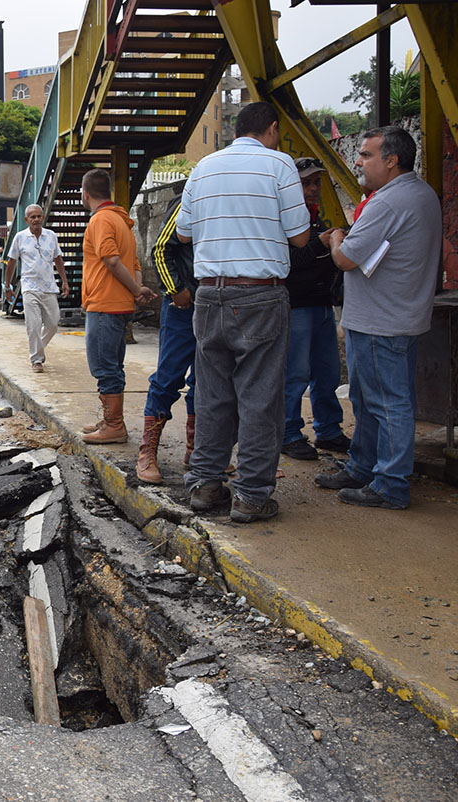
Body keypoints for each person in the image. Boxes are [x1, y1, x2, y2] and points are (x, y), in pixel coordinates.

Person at [175, 101, 310, 523]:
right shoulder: (279, 164)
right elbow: (302, 237)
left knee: (213, 394)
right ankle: (251, 496)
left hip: (209, 296)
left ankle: (205, 485)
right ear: (271, 129)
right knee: (260, 398)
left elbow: (183, 232)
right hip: (259, 297)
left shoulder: (204, 167)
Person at [314, 126, 442, 510]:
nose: (358, 161)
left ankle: (389, 483)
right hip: (396, 315)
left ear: (391, 160)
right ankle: (364, 465)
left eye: (367, 155)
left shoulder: (387, 202)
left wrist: (337, 236)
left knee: (388, 403)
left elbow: (346, 258)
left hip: (379, 320)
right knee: (372, 400)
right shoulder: (421, 193)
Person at [78, 168, 157, 444]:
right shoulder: (122, 221)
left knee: (103, 366)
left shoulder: (100, 221)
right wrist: (136, 292)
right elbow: (133, 264)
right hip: (120, 305)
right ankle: (110, 419)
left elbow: (112, 261)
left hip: (104, 304)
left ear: (85, 194)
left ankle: (114, 425)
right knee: (114, 364)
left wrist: (136, 290)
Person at [281, 157, 350, 461]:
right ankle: (289, 433)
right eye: (306, 183)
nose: (313, 189)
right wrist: (319, 246)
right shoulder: (283, 221)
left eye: (316, 182)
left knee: (327, 374)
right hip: (296, 308)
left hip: (321, 308)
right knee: (295, 375)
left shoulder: (316, 219)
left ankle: (329, 430)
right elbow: (283, 266)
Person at [135, 197, 197, 484]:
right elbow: (160, 248)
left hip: (215, 303)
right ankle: (147, 453)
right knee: (168, 377)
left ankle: (196, 451)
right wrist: (176, 290)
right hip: (183, 307)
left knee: (207, 381)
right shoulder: (191, 195)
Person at [5, 203, 70, 373]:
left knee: (53, 323)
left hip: (49, 285)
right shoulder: (20, 237)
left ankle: (36, 348)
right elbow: (11, 262)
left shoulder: (51, 236)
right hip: (29, 286)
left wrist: (64, 281)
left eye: (38, 216)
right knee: (33, 324)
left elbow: (58, 258)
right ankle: (36, 359)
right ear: (26, 220)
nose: (36, 219)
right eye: (32, 217)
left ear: (42, 217)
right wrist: (7, 286)